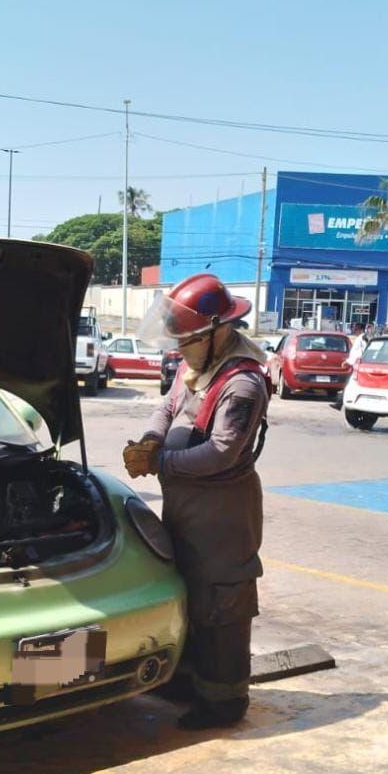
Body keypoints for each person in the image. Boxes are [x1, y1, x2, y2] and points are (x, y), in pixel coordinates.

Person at [122, 274, 271, 730]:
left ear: (216, 333)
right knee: (190, 594)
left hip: (223, 514)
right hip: (188, 507)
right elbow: (168, 407)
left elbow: (222, 451)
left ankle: (224, 702)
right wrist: (151, 439)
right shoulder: (198, 367)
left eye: (186, 342)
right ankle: (188, 683)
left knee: (222, 603)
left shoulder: (242, 384)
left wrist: (160, 462)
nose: (180, 350)